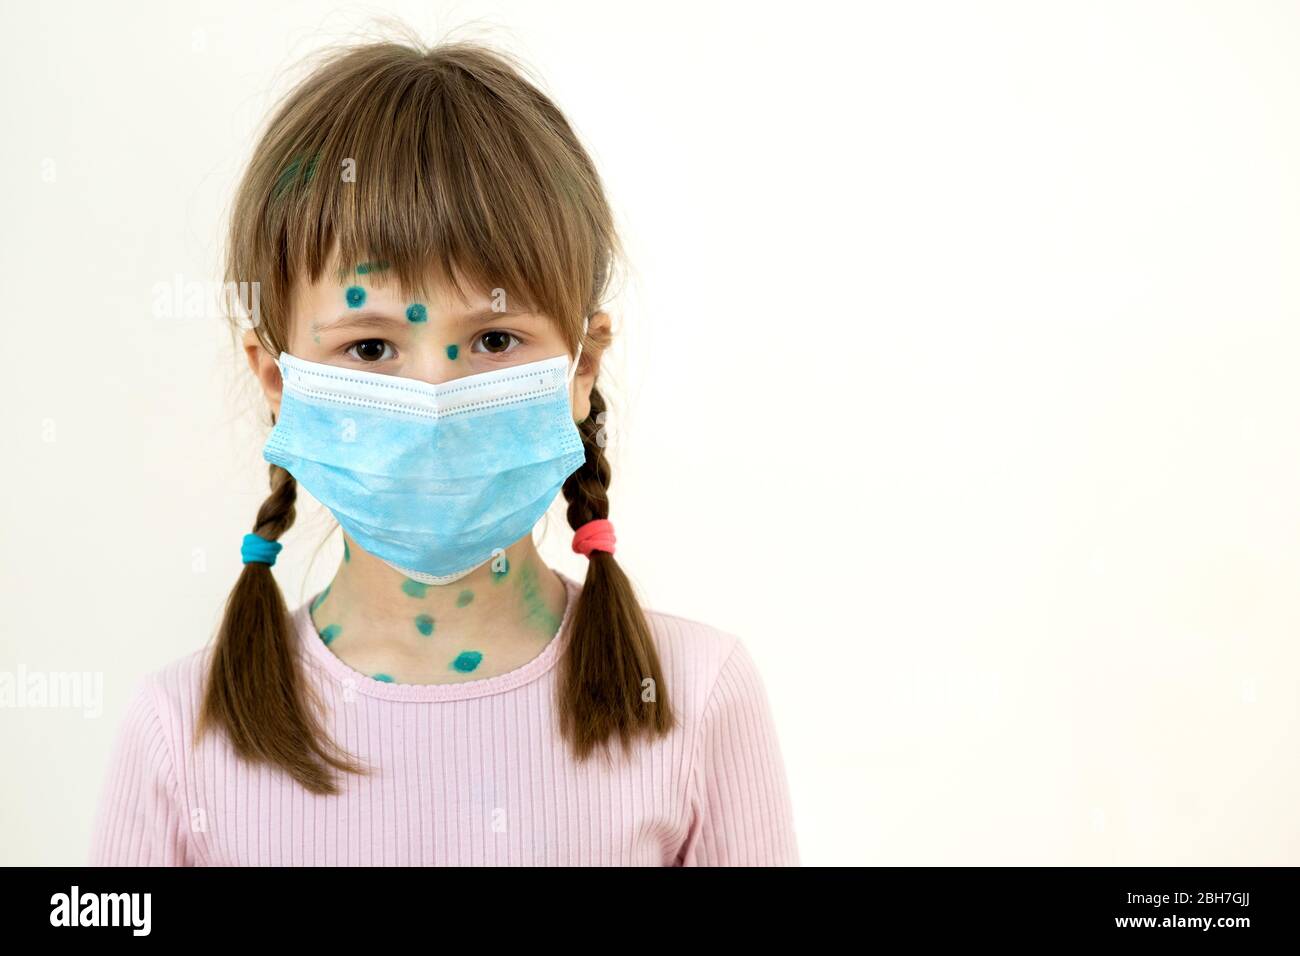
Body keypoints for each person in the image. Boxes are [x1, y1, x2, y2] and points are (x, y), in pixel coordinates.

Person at [88, 35, 797, 866]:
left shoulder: (696, 698)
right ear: (278, 381)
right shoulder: (182, 732)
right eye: (370, 347)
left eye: (494, 337)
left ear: (583, 366)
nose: (433, 403)